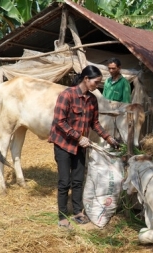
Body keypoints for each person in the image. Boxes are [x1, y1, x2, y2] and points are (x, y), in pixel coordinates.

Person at [48, 65, 119, 229]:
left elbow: (94, 123)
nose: (97, 85)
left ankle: (77, 212)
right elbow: (59, 122)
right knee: (65, 181)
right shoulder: (67, 95)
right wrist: (79, 137)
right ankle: (63, 215)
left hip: (80, 145)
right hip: (64, 144)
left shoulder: (92, 100)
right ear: (86, 79)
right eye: (96, 82)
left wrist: (109, 139)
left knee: (78, 180)